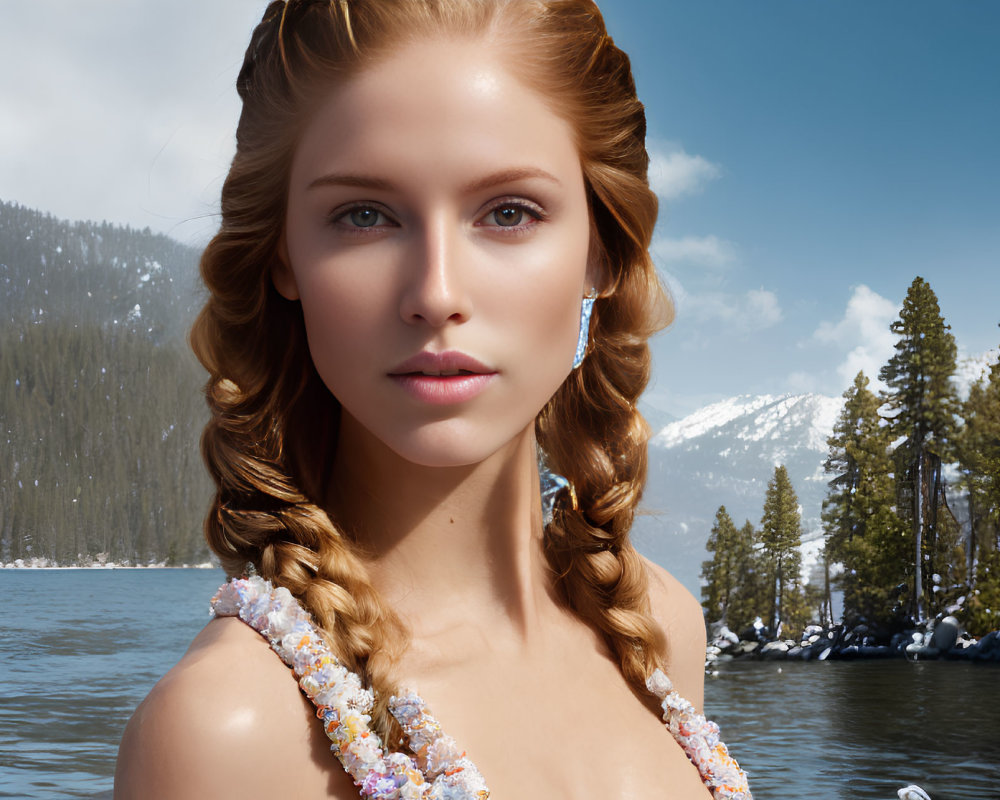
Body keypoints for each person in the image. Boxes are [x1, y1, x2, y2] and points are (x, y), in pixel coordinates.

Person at [114, 1, 752, 797]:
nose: (436, 293)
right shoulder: (227, 733)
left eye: (509, 212)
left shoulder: (658, 629)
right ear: (283, 255)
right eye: (364, 216)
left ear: (602, 251)